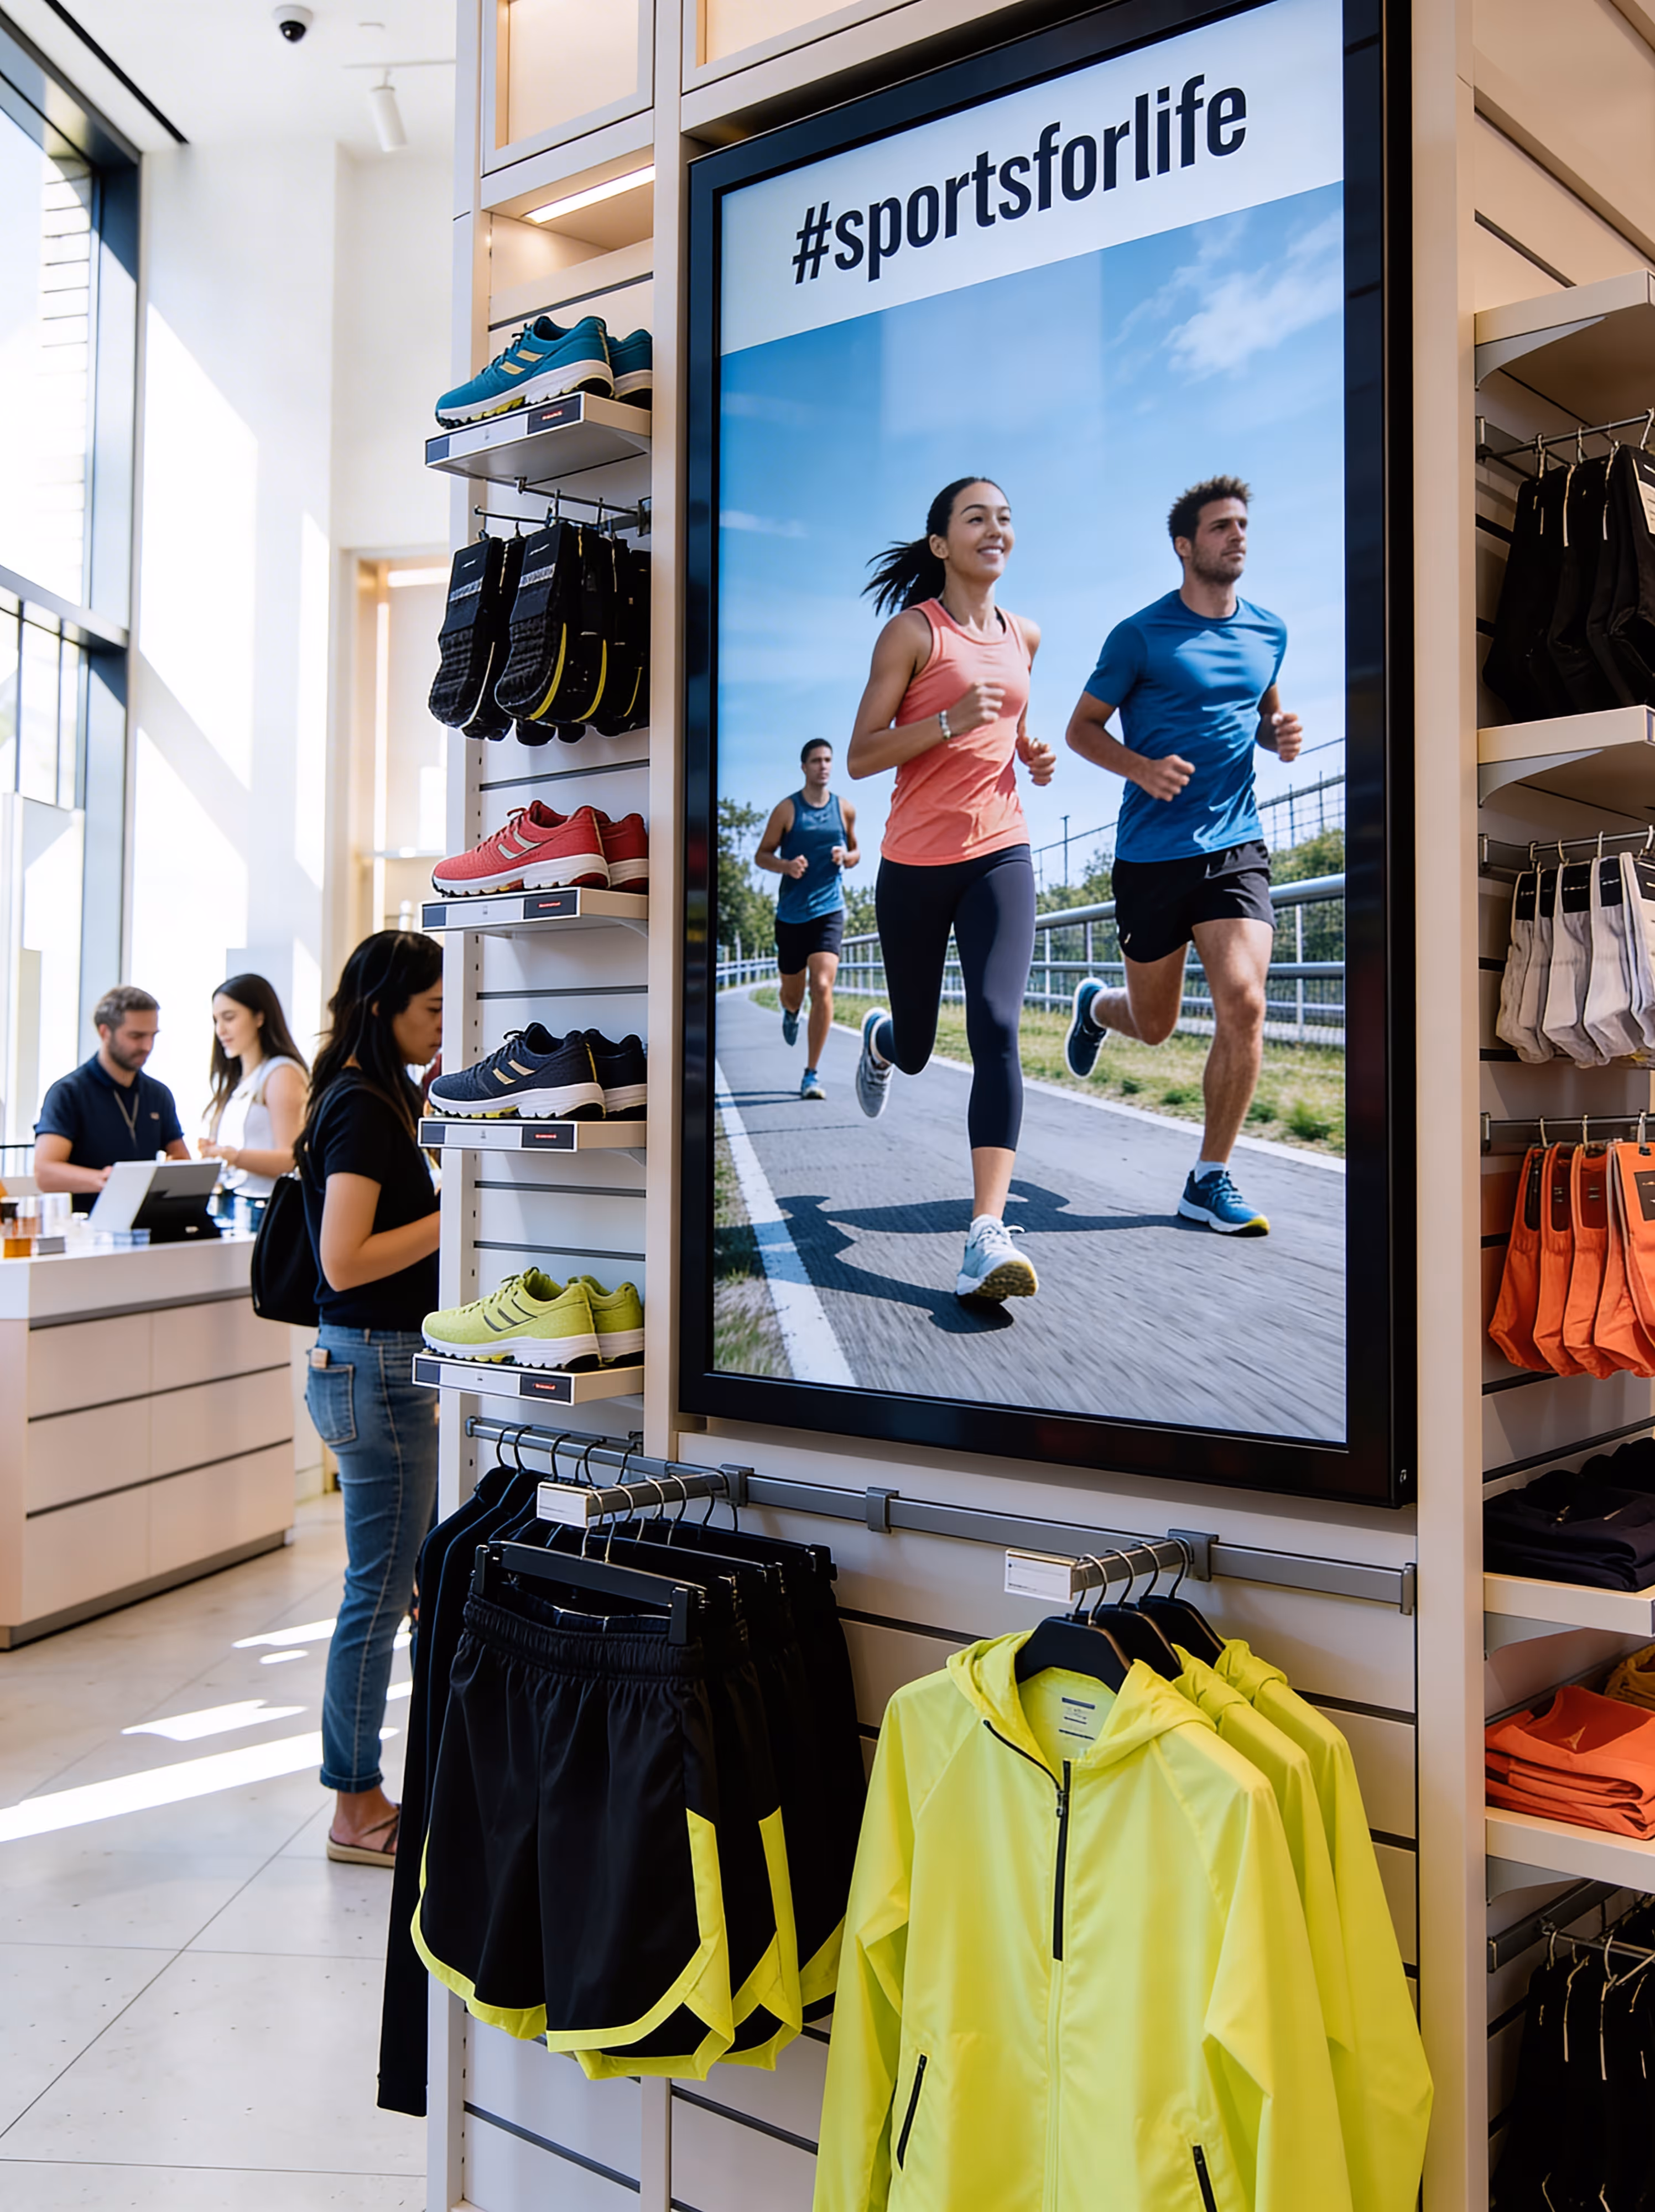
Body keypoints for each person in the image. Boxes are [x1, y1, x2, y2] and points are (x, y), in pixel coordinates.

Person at [1062, 476, 1301, 1237]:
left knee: (1245, 1001)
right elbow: (1083, 729)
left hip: (1235, 847)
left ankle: (1209, 1178)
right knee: (1155, 1023)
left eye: (1242, 526)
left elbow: (1260, 715)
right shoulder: (1138, 636)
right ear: (1185, 546)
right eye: (1222, 527)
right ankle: (1097, 1007)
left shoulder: (1270, 632)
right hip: (1152, 856)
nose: (1238, 536)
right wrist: (1140, 768)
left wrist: (1280, 735)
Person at [846, 476, 1056, 1302]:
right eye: (977, 518)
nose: (996, 528)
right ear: (941, 544)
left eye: (1005, 517)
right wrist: (947, 722)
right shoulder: (911, 634)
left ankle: (984, 1234)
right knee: (926, 1042)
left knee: (998, 1025)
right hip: (914, 865)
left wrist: (1029, 752)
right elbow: (863, 754)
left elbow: (1007, 725)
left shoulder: (1026, 634)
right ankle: (885, 1040)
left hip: (1001, 852)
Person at [296, 931, 444, 1866]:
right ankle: (355, 1805)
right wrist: (457, 1205)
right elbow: (344, 1262)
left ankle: (375, 1788)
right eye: (431, 1009)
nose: (442, 1024)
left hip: (374, 1366)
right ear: (384, 1005)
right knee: (378, 1598)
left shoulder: (371, 1091)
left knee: (398, 1588)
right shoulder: (358, 1105)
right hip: (377, 1365)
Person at [755, 739, 860, 1100]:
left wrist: (846, 857)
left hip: (829, 909)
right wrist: (786, 866)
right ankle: (790, 1010)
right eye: (816, 761)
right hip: (791, 915)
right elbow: (761, 855)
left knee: (823, 986)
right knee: (793, 993)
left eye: (828, 760)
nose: (823, 766)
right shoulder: (787, 809)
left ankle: (811, 1074)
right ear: (804, 767)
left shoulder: (844, 809)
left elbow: (857, 851)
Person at [34, 985, 191, 1209]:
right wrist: (104, 1180)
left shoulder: (159, 1094)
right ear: (105, 1032)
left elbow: (182, 1161)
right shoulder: (68, 1093)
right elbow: (45, 1172)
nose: (147, 1046)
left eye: (152, 1036)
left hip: (148, 1229)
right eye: (136, 1036)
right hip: (88, 1230)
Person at [199, 973, 309, 1202]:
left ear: (260, 1017)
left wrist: (231, 1156)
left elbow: (291, 1158)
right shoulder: (236, 1080)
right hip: (233, 1204)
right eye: (216, 1021)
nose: (220, 1030)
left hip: (266, 1208)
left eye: (229, 1018)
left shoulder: (281, 1073)